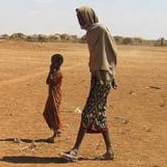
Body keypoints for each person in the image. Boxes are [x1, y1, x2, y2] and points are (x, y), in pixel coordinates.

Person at [62, 6, 118, 161]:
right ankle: (110, 152)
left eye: (81, 17)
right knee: (99, 114)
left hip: (102, 78)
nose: (79, 21)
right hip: (97, 77)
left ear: (89, 16)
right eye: (78, 18)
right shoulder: (90, 33)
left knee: (87, 112)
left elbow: (111, 52)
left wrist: (111, 74)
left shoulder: (100, 30)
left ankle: (75, 150)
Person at [43, 54, 64, 143]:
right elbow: (47, 81)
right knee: (47, 112)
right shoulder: (54, 72)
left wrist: (51, 70)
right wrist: (50, 70)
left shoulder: (58, 73)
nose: (51, 63)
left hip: (55, 95)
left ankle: (58, 131)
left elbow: (50, 81)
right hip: (51, 95)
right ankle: (55, 132)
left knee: (54, 112)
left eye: (53, 62)